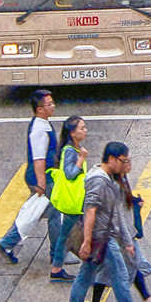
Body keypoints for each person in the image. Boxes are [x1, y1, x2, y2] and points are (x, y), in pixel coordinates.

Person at [65, 141, 151, 302]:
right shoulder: (98, 180)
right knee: (120, 276)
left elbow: (116, 213)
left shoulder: (109, 178)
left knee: (85, 275)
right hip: (102, 238)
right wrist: (87, 241)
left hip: (104, 236)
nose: (125, 164)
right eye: (123, 161)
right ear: (111, 159)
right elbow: (90, 211)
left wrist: (127, 240)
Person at [0, 89, 58, 265]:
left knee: (38, 212)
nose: (53, 106)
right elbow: (39, 159)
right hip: (41, 177)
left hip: (43, 177)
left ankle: (7, 243)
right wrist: (41, 184)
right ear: (39, 109)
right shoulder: (38, 130)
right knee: (55, 213)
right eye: (49, 104)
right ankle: (57, 255)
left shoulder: (42, 124)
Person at [46, 115, 90, 282]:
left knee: (65, 236)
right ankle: (95, 271)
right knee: (88, 233)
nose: (85, 131)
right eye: (82, 128)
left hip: (76, 200)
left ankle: (56, 270)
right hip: (75, 201)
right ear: (72, 133)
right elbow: (70, 174)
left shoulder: (73, 148)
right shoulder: (71, 151)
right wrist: (81, 159)